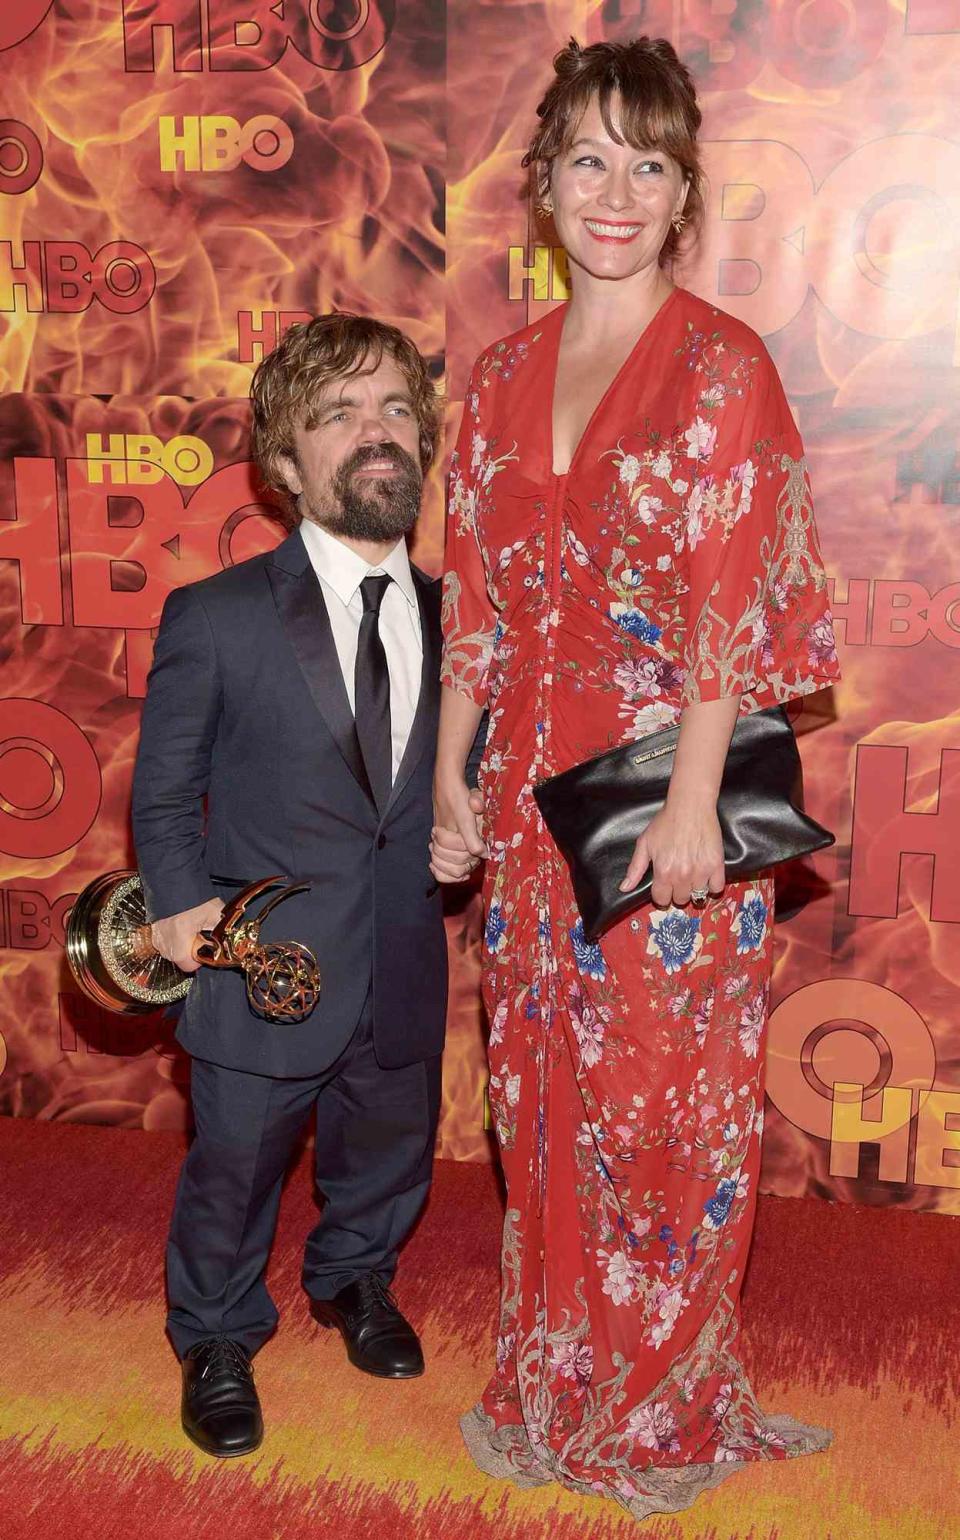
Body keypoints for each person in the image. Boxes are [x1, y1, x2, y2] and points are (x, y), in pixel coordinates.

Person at [431, 37, 840, 1522]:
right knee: (541, 1104)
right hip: (533, 795)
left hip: (668, 785)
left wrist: (689, 811)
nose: (616, 192)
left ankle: (659, 1411)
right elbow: (475, 596)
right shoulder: (494, 374)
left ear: (684, 197)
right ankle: (555, 1386)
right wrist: (448, 778)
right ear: (543, 184)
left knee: (664, 1111)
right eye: (590, 159)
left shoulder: (723, 364)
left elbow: (737, 604)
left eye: (649, 164)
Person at [133, 313, 456, 1459]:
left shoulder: (461, 615)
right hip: (262, 960)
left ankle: (354, 1279)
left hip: (406, 947)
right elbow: (165, 792)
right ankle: (216, 1334)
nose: (376, 435)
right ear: (285, 463)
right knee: (234, 1164)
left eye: (396, 411)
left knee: (389, 1146)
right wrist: (176, 899)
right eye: (338, 415)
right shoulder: (216, 617)